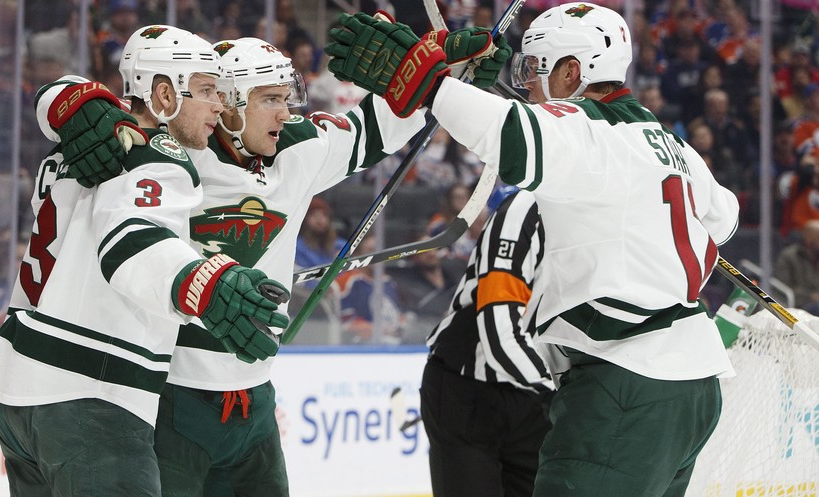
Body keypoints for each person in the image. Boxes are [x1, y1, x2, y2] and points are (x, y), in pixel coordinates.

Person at [34, 23, 505, 494]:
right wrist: (69, 100)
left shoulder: (299, 146)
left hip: (254, 401)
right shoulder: (176, 150)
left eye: (287, 97)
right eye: (269, 100)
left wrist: (447, 83)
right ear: (230, 103)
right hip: (170, 397)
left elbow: (377, 125)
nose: (286, 112)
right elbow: (98, 110)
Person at [325, 3, 740, 496]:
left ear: (571, 72)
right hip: (693, 387)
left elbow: (513, 135)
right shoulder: (671, 145)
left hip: (625, 382)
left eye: (532, 69)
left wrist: (432, 86)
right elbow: (726, 217)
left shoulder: (586, 129)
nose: (525, 85)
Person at [0, 25, 289, 497]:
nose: (218, 106)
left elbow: (60, 105)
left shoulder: (78, 145)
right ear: (162, 94)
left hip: (18, 394)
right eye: (203, 90)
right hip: (90, 399)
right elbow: (130, 239)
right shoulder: (160, 156)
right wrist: (201, 283)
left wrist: (65, 95)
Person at [421, 188, 556, 497]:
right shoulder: (527, 208)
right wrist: (563, 389)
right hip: (467, 389)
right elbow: (500, 335)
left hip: (533, 400)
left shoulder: (606, 215)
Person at [775, 219, 819, 315]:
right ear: (808, 238)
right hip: (800, 306)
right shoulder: (789, 256)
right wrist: (811, 296)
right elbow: (781, 288)